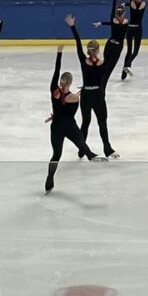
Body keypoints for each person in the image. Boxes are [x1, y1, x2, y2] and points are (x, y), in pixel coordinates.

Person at [44, 46, 101, 195]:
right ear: (70, 82)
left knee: (57, 155)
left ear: (63, 81)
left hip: (56, 127)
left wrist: (59, 53)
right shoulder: (75, 98)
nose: (60, 80)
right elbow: (71, 114)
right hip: (68, 126)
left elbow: (56, 70)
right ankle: (90, 155)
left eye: (61, 79)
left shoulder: (54, 91)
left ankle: (50, 178)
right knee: (80, 141)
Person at [66, 15, 118, 159]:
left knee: (85, 123)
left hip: (86, 96)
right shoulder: (103, 62)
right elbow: (112, 58)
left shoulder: (84, 61)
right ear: (98, 50)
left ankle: (82, 149)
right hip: (98, 96)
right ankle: (107, 148)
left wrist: (72, 26)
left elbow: (77, 42)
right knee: (102, 123)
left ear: (88, 50)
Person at [93, 0, 127, 86]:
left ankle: (97, 79)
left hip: (110, 44)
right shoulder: (125, 22)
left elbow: (113, 9)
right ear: (124, 13)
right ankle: (101, 85)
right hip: (117, 47)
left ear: (116, 13)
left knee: (104, 65)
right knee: (109, 69)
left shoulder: (113, 20)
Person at [121, 0, 146, 80]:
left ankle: (124, 74)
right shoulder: (143, 4)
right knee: (135, 52)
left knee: (128, 51)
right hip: (138, 29)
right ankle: (127, 66)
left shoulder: (131, 3)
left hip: (130, 29)